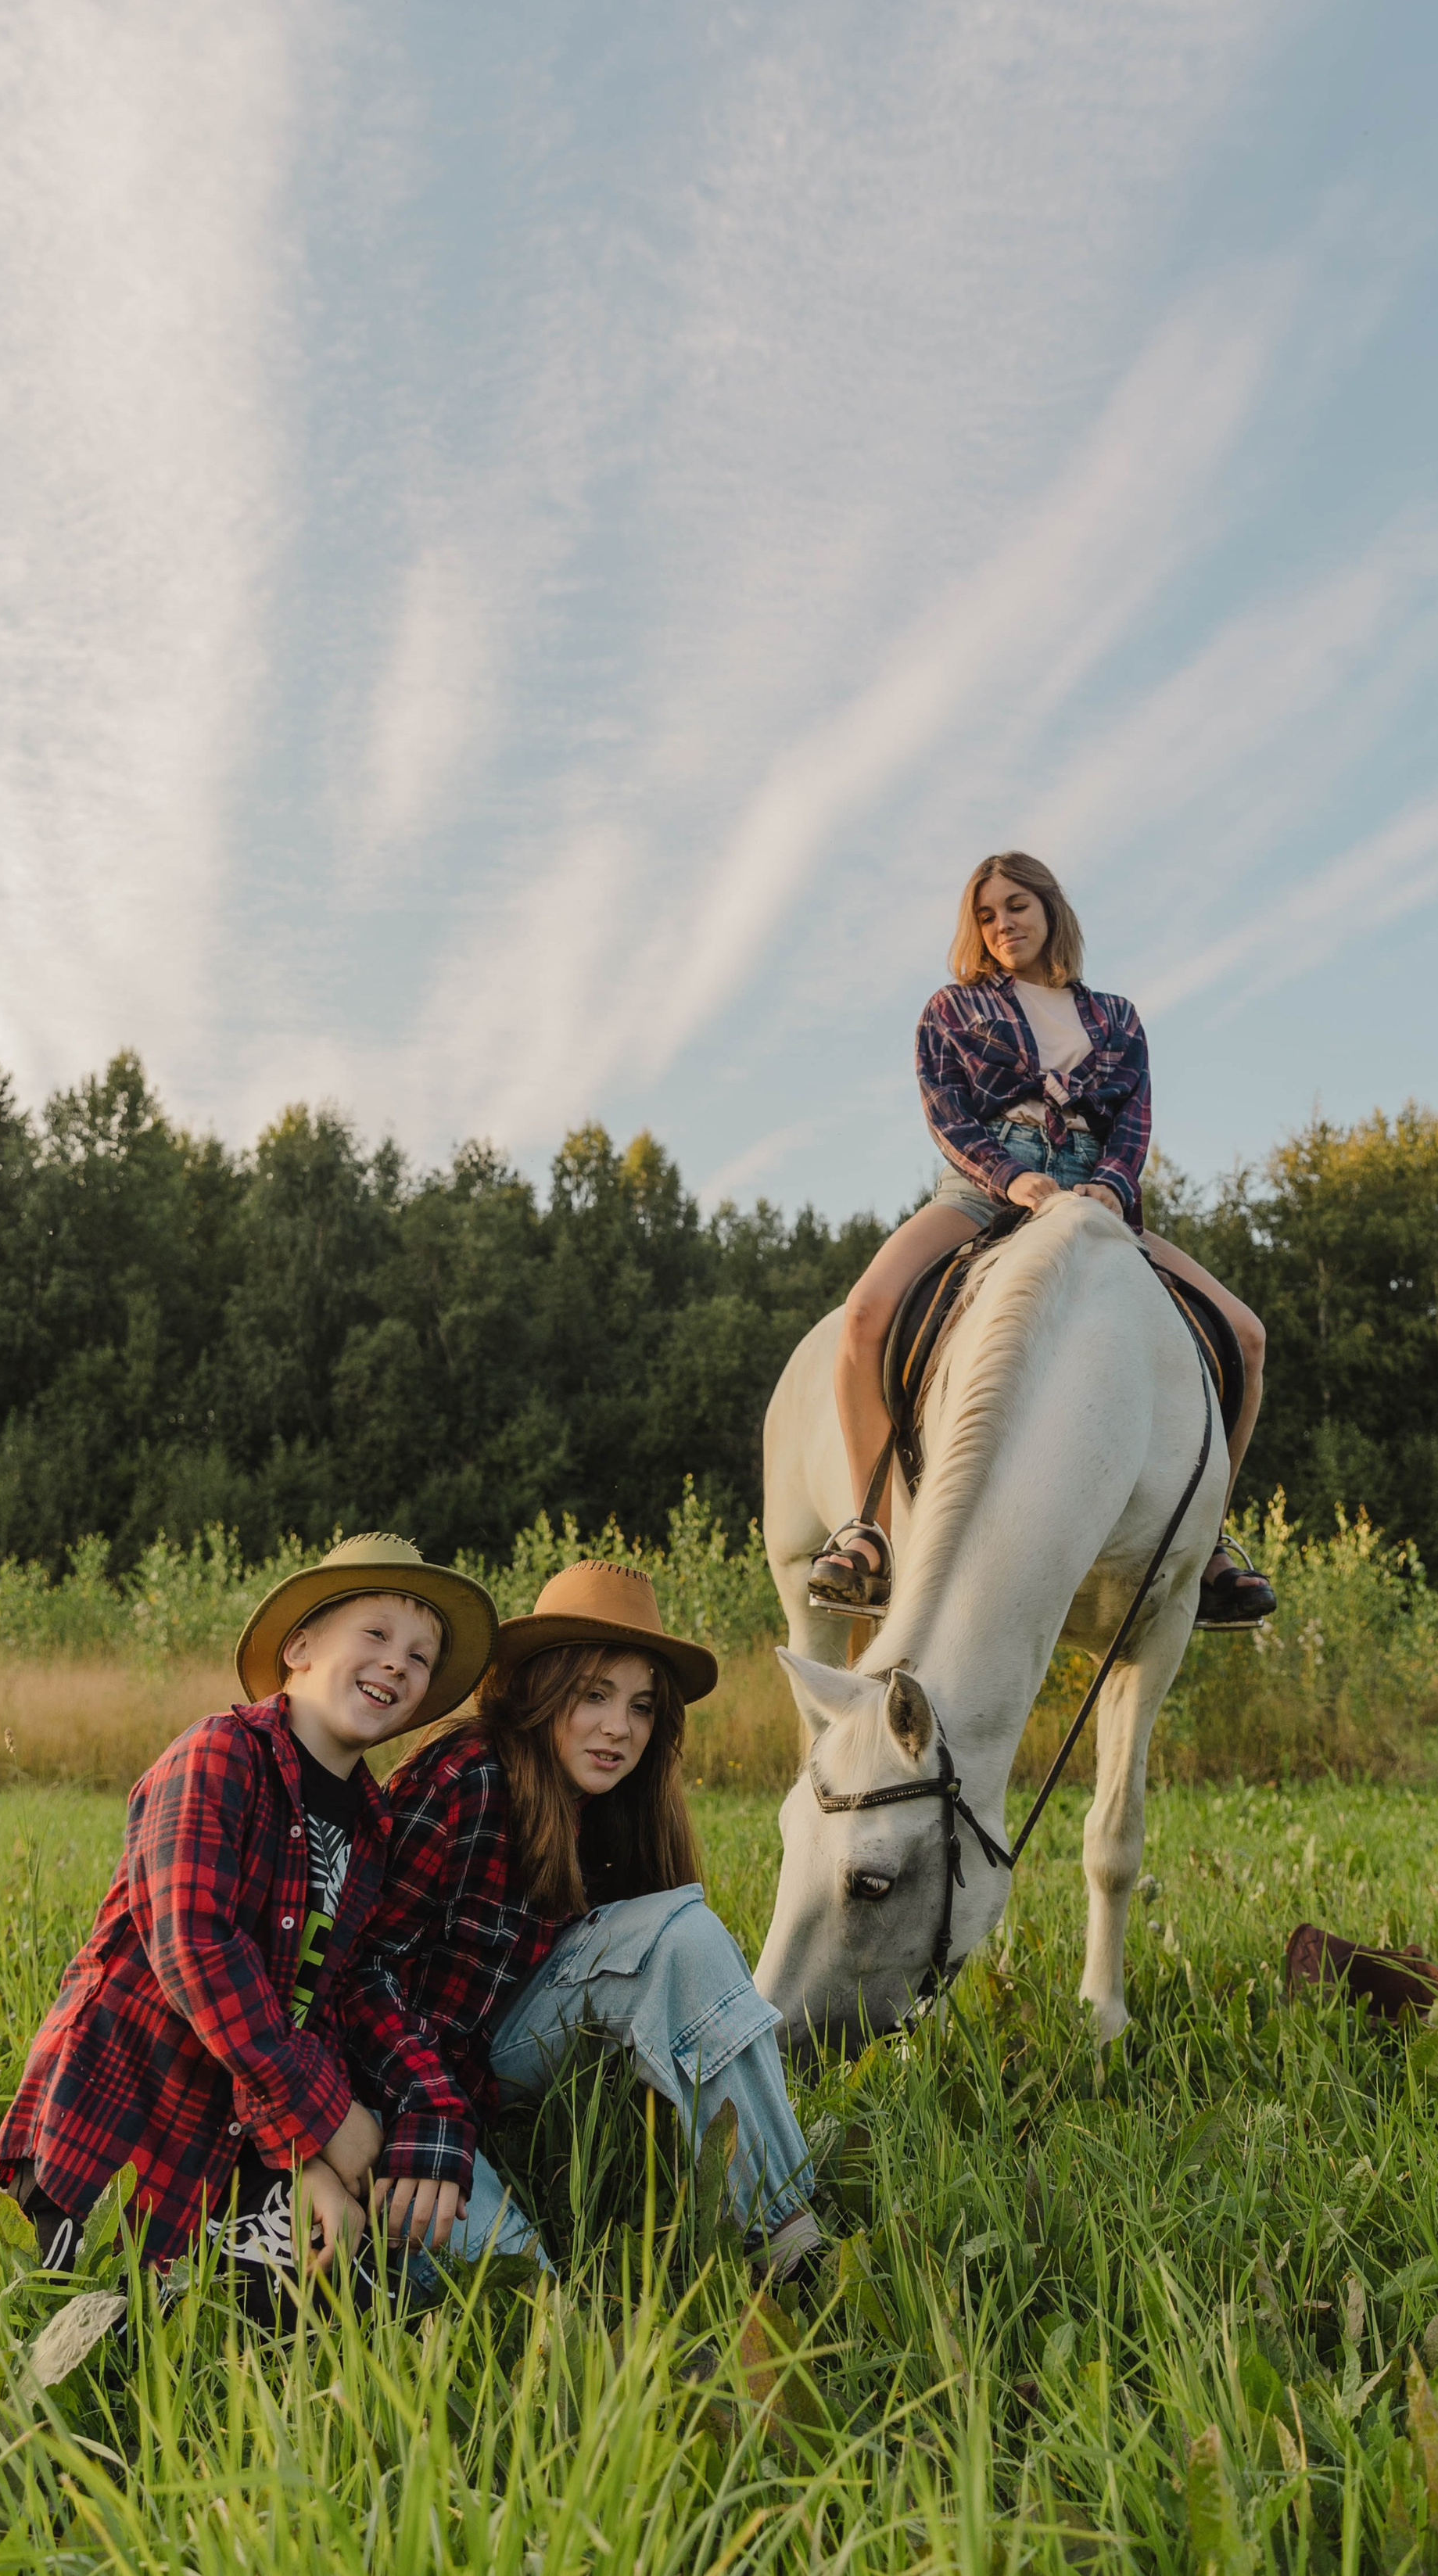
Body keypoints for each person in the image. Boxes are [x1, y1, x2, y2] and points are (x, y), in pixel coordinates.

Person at [0, 1533, 497, 2301]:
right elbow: (197, 1952)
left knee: (335, 2304)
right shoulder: (220, 1755)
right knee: (69, 2309)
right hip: (113, 2119)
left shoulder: (369, 1829)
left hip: (235, 2135)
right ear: (298, 1648)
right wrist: (330, 2124)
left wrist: (309, 2161)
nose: (399, 1662)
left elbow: (318, 2001)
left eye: (421, 1657)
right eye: (377, 1635)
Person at [808, 849, 1274, 1631]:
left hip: (1096, 1197)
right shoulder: (950, 1010)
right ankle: (870, 1531)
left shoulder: (1118, 1019)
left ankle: (1212, 1538)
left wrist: (1110, 1187)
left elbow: (1135, 1124)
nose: (1002, 925)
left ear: (1050, 909)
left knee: (1247, 1337)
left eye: (1015, 906)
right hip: (984, 1194)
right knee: (863, 1317)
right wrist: (1011, 1180)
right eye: (985, 914)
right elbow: (946, 1116)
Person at [346, 1559, 823, 2276]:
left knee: (684, 1932)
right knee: (519, 2293)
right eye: (594, 1694)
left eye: (639, 1704)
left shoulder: (607, 1806)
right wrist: (433, 2111)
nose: (619, 1728)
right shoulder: (469, 1774)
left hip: (492, 2055)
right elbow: (360, 1971)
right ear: (542, 1687)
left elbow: (625, 1972)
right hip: (393, 2083)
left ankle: (787, 2240)